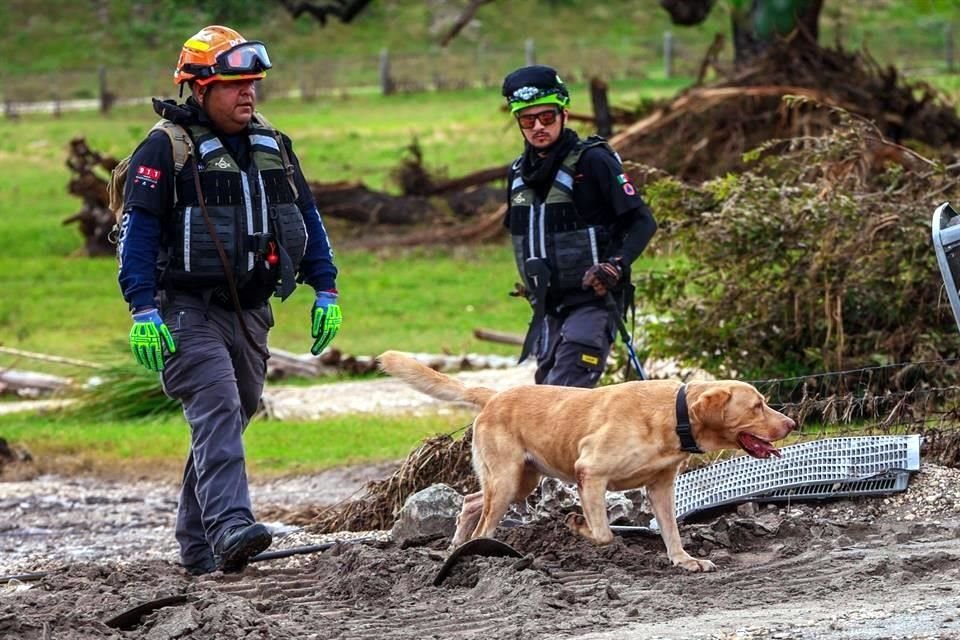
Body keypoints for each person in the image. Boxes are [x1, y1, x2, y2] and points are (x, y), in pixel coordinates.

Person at [116, 25, 342, 575]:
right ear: (199, 89)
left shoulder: (273, 144)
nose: (247, 95)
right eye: (232, 84)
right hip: (183, 311)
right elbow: (139, 233)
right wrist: (142, 307)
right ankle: (230, 526)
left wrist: (325, 287)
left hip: (251, 312)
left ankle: (198, 551)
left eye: (253, 84)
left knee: (230, 416)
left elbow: (306, 217)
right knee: (216, 407)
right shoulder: (165, 148)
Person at [501, 65, 657, 388]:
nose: (538, 127)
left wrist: (615, 265)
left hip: (594, 302)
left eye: (547, 117)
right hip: (548, 309)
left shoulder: (594, 161)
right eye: (528, 120)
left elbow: (643, 222)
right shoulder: (517, 174)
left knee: (562, 396)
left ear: (564, 114)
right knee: (545, 397)